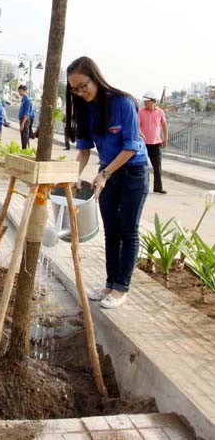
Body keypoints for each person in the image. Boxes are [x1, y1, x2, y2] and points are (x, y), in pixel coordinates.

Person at [65, 56, 149, 310]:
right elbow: (83, 151)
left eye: (83, 86)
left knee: (128, 230)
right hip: (108, 173)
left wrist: (105, 174)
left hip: (132, 172)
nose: (80, 93)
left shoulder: (123, 103)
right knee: (110, 230)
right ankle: (109, 285)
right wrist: (72, 177)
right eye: (75, 90)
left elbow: (131, 148)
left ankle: (121, 288)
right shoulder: (85, 109)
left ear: (95, 78)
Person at [138, 90, 168, 194]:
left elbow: (164, 125)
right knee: (142, 167)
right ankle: (142, 186)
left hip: (156, 144)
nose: (145, 103)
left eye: (147, 101)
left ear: (153, 101)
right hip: (144, 144)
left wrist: (165, 138)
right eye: (144, 101)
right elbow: (137, 126)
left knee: (157, 166)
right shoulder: (140, 112)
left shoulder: (160, 112)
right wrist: (140, 134)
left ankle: (158, 187)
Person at [18, 85, 35, 149]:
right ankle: (25, 148)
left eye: (21, 91)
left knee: (25, 135)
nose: (20, 93)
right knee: (23, 135)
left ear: (25, 91)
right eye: (19, 91)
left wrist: (23, 123)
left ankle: (25, 149)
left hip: (25, 119)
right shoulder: (23, 99)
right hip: (22, 118)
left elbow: (27, 113)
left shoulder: (27, 100)